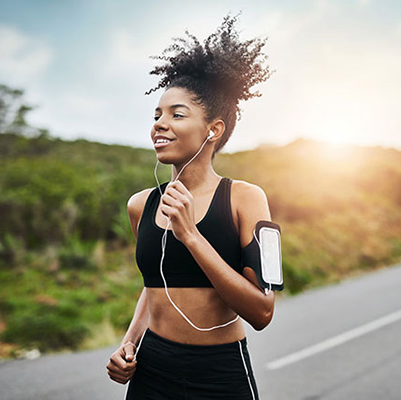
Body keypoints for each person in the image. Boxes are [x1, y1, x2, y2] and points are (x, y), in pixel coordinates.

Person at [106, 13, 278, 399]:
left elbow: (262, 312)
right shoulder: (141, 205)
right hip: (151, 369)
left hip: (219, 372)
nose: (159, 124)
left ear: (213, 130)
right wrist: (130, 342)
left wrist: (191, 235)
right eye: (156, 115)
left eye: (176, 114)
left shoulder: (246, 198)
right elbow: (156, 285)